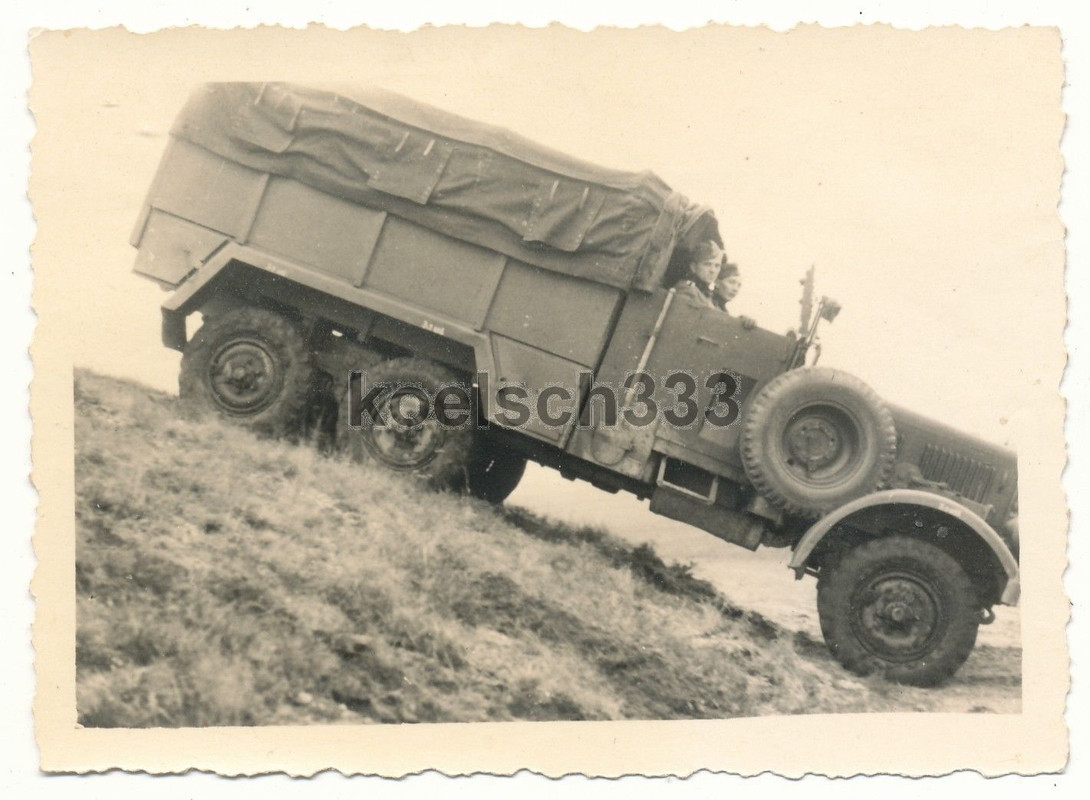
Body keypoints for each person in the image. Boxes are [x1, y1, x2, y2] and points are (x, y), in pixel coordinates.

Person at [671, 240, 721, 309]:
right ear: (693, 267)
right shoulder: (687, 290)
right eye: (707, 264)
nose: (713, 270)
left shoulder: (708, 295)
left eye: (717, 266)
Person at [713, 262, 757, 329]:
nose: (735, 289)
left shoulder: (723, 310)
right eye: (731, 282)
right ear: (717, 283)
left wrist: (740, 321)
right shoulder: (705, 301)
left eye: (739, 285)